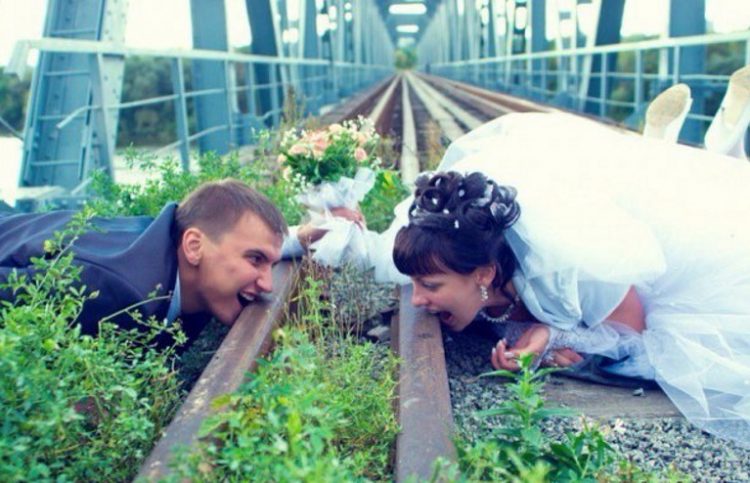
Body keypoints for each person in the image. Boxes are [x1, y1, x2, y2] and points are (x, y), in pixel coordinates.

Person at [379, 110, 750, 448]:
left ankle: (719, 145)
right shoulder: (462, 258)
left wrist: (552, 335)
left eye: (430, 286)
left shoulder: (566, 268)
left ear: (485, 274)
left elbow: (638, 336)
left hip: (689, 267)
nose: (416, 300)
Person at [0, 179, 356, 347]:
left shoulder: (168, 243)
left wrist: (306, 234)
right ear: (194, 247)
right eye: (255, 260)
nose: (266, 283)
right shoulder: (114, 291)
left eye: (268, 263)